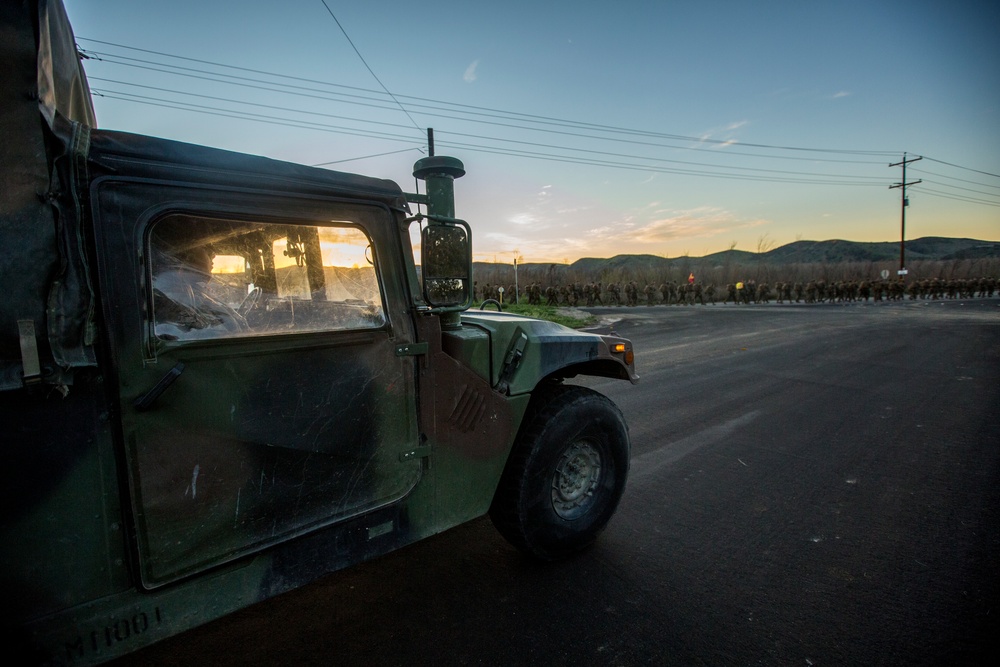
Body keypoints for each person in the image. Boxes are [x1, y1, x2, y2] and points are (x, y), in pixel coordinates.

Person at [152, 244, 247, 339]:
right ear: (186, 263)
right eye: (208, 255)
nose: (212, 262)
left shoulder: (193, 291)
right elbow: (190, 333)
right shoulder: (173, 293)